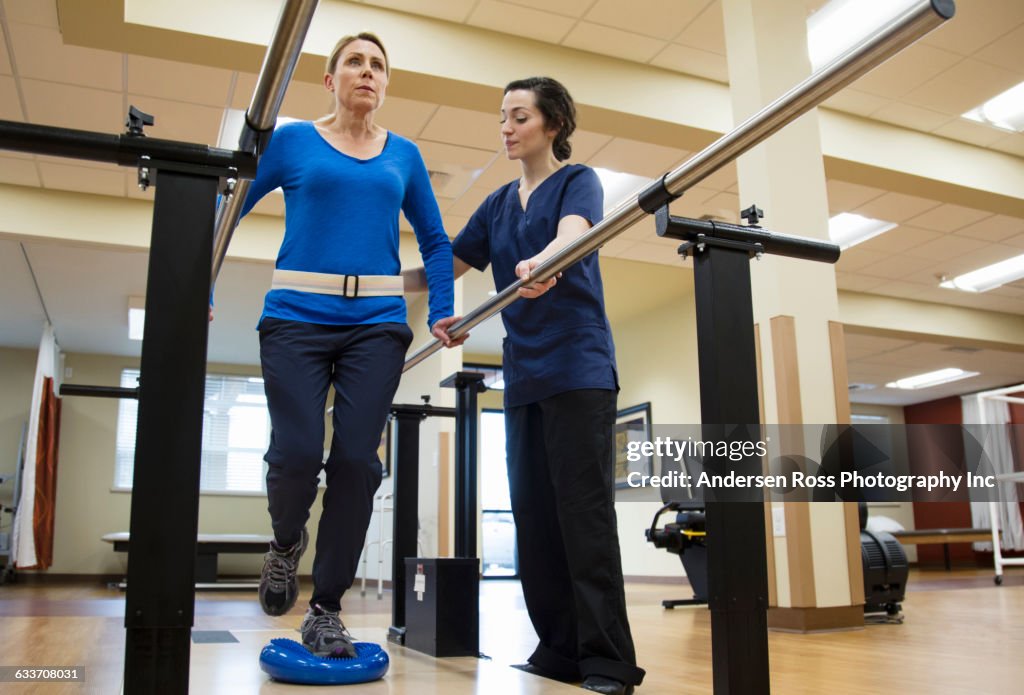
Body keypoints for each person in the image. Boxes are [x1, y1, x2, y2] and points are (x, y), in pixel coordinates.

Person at [409, 77, 644, 695]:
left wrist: (547, 261)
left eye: (519, 116)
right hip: (524, 377)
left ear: (553, 125)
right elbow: (447, 264)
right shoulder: (494, 206)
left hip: (578, 370)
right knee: (534, 517)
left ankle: (608, 661)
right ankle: (560, 650)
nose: (506, 128)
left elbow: (573, 235)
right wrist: (372, 278)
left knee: (583, 518)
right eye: (503, 117)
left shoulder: (577, 181)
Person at [235, 32, 462, 659]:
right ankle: (285, 546)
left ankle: (326, 610)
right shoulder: (293, 142)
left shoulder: (405, 156)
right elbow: (228, 206)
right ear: (329, 80)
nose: (368, 72)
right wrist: (195, 278)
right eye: (355, 63)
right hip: (295, 317)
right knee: (300, 450)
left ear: (386, 84)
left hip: (377, 324)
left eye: (379, 66)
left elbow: (437, 243)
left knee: (359, 463)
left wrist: (441, 310)